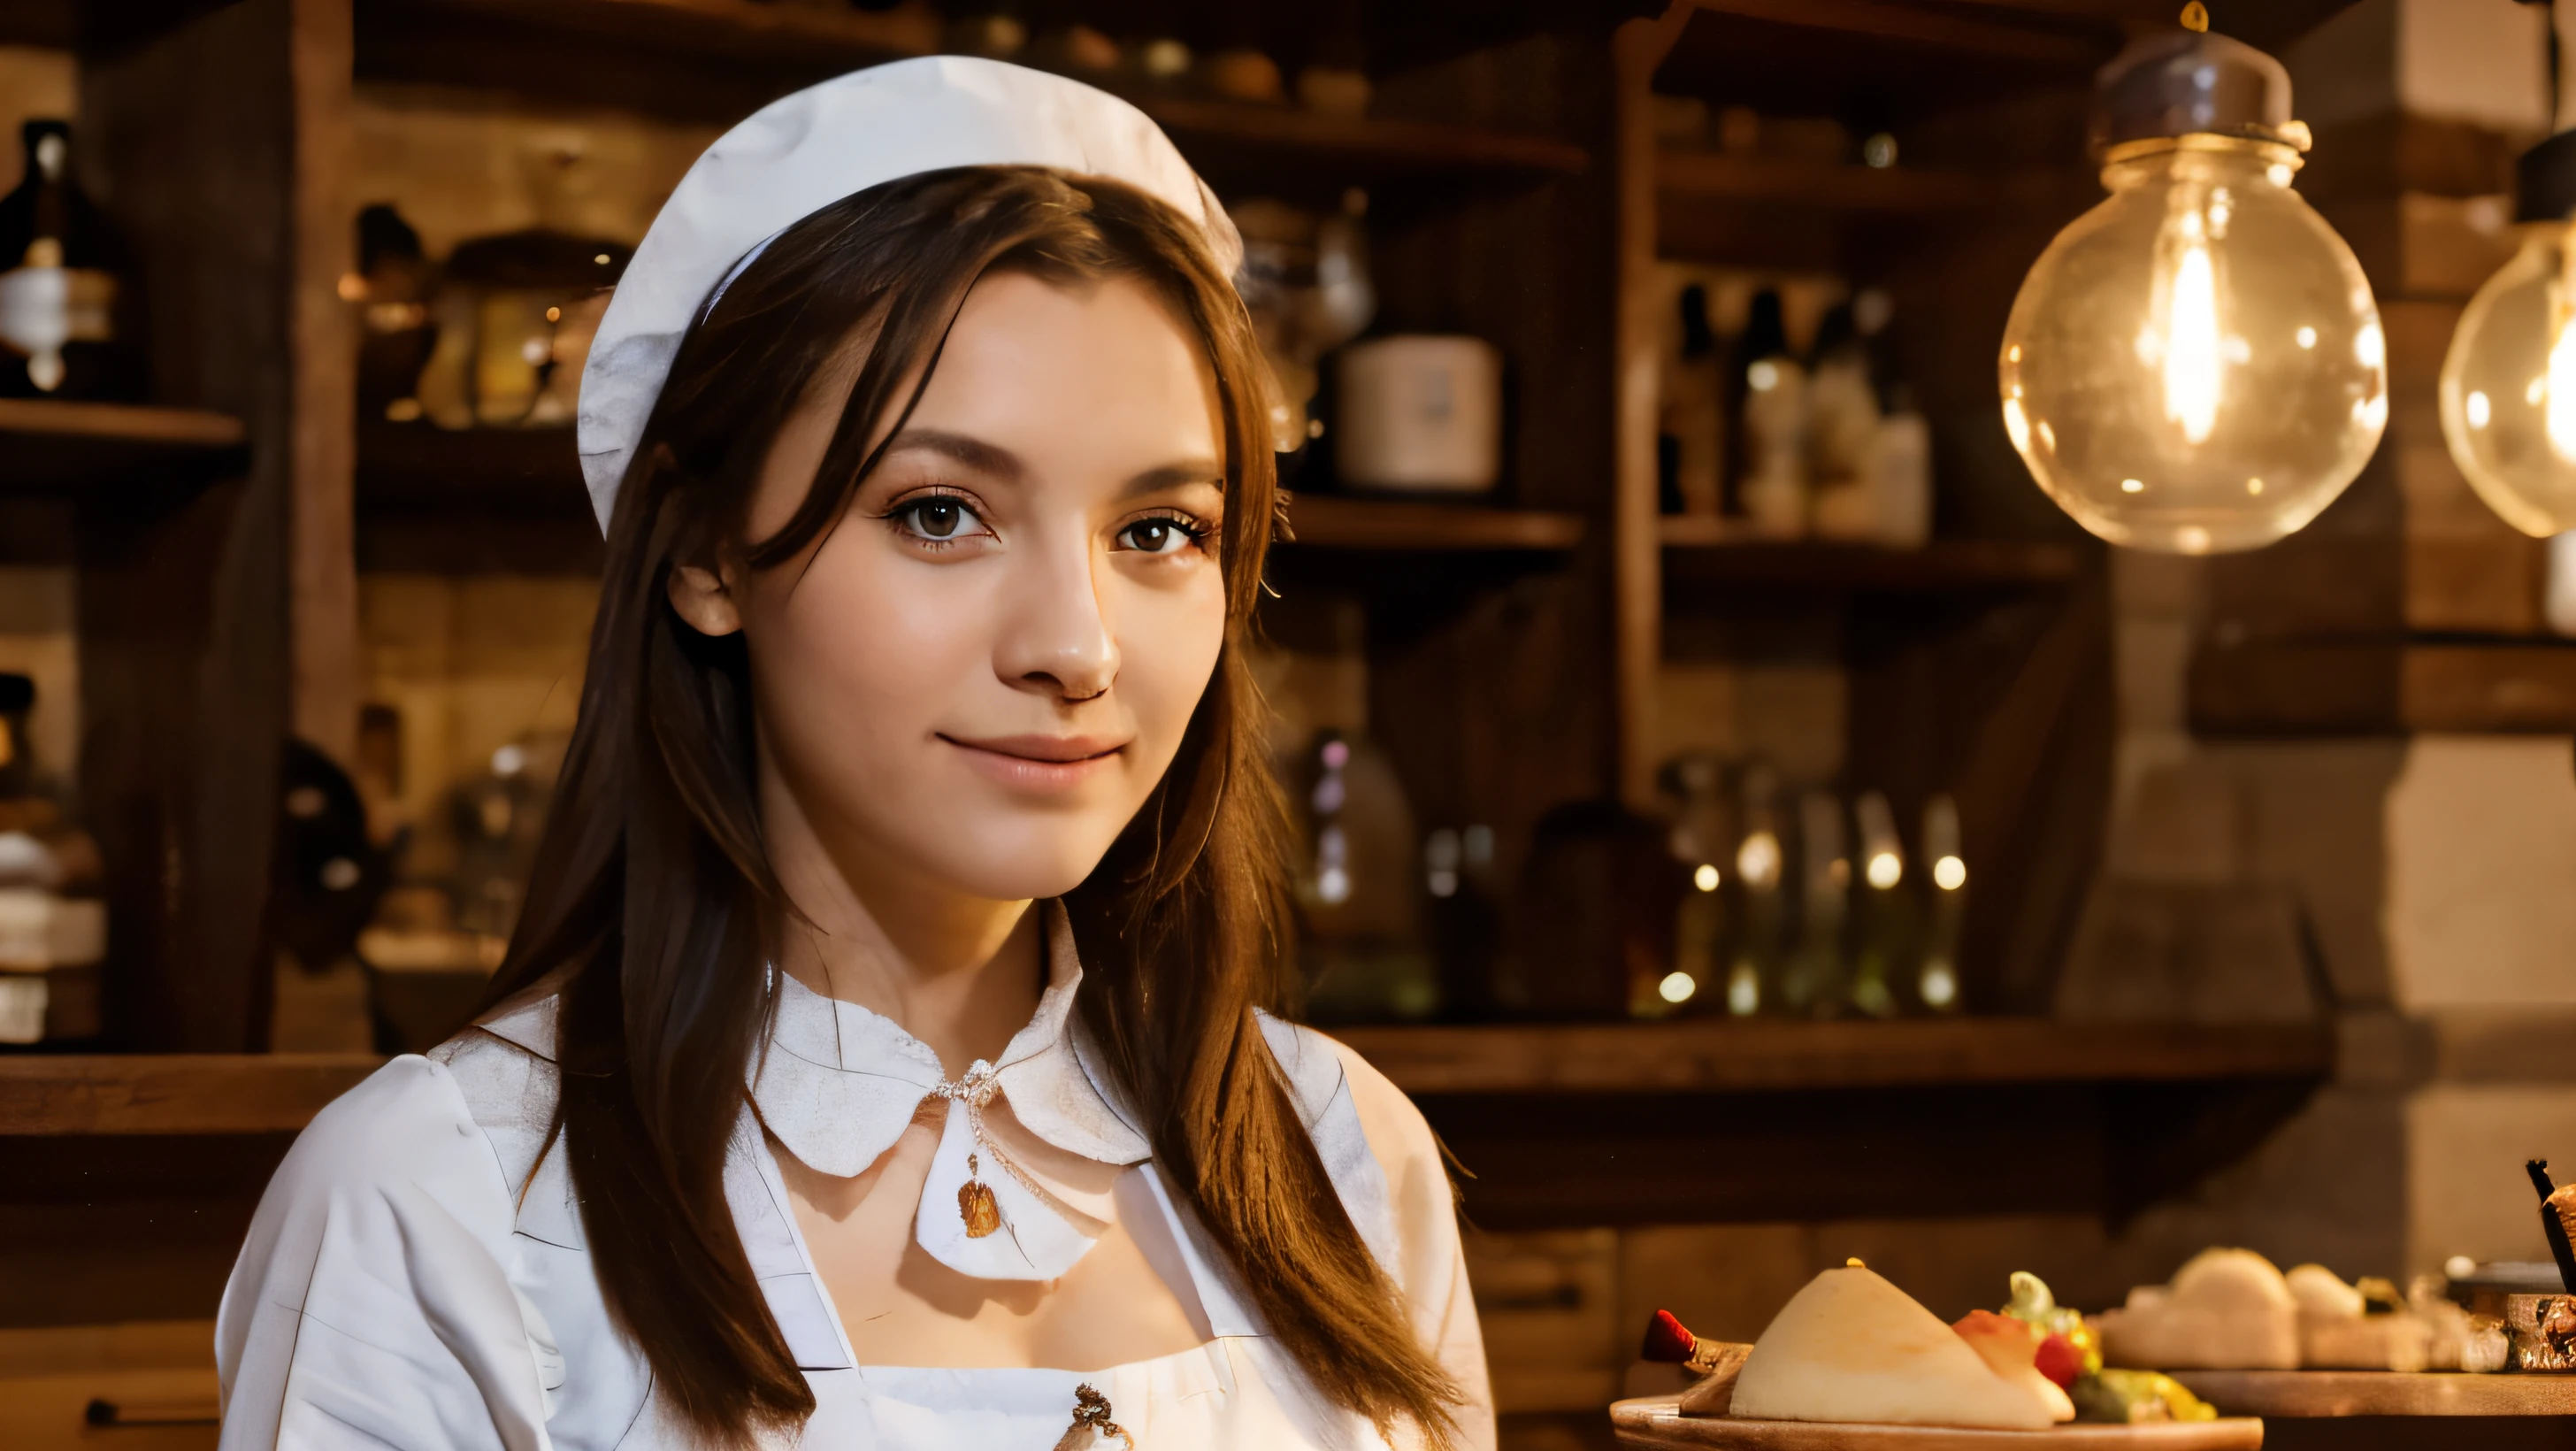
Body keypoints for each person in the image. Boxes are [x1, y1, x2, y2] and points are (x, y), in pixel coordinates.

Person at [215, 57, 1492, 1451]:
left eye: (1160, 530)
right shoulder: (442, 1201)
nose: (1080, 646)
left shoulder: (1344, 1156)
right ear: (708, 554)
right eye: (941, 513)